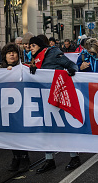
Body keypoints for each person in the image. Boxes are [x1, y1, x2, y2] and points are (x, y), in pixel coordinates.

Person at [27, 36, 80, 173]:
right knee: (46, 129)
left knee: (65, 127)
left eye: (32, 45)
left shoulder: (53, 53)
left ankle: (74, 157)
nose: (30, 48)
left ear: (40, 46)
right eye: (29, 45)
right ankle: (49, 160)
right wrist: (32, 70)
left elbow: (71, 65)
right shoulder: (35, 58)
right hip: (44, 97)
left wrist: (72, 71)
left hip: (59, 95)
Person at [0, 42, 31, 174]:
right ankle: (16, 156)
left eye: (14, 52)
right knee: (11, 133)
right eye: (8, 52)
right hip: (6, 105)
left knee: (20, 132)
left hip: (21, 105)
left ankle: (24, 157)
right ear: (4, 56)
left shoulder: (24, 68)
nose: (11, 54)